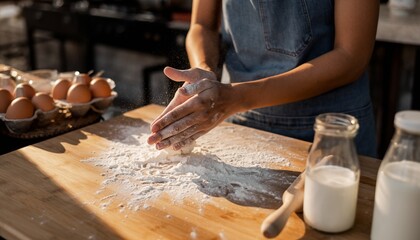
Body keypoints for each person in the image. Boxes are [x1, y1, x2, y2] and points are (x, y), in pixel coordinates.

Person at [147, 0, 379, 157]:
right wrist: (204, 74)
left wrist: (236, 97)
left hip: (331, 132)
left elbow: (351, 57)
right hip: (243, 123)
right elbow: (202, 25)